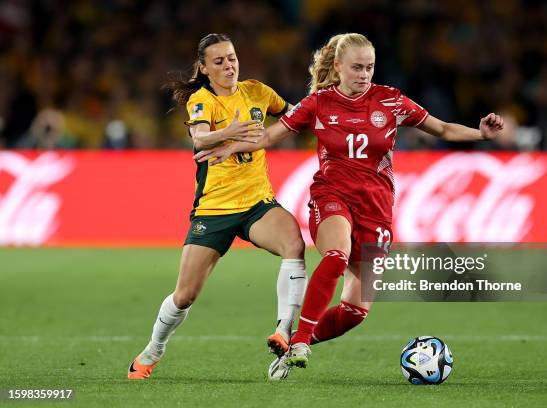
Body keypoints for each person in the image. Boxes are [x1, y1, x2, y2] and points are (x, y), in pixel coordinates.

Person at [195, 33, 504, 379]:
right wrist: (229, 147)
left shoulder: (391, 101)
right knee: (335, 254)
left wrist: (481, 135)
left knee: (355, 311)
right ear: (338, 67)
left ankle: (298, 341)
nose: (364, 74)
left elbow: (443, 128)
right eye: (357, 67)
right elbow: (268, 136)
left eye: (369, 67)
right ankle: (298, 342)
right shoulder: (318, 103)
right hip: (332, 196)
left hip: (377, 208)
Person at [127, 33, 308, 380]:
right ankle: (153, 350)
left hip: (257, 203)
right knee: (185, 295)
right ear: (205, 68)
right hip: (214, 209)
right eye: (220, 61)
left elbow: (295, 116)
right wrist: (234, 131)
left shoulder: (257, 91)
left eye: (232, 57)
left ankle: (284, 332)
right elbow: (198, 137)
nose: (229, 65)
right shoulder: (203, 99)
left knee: (294, 244)